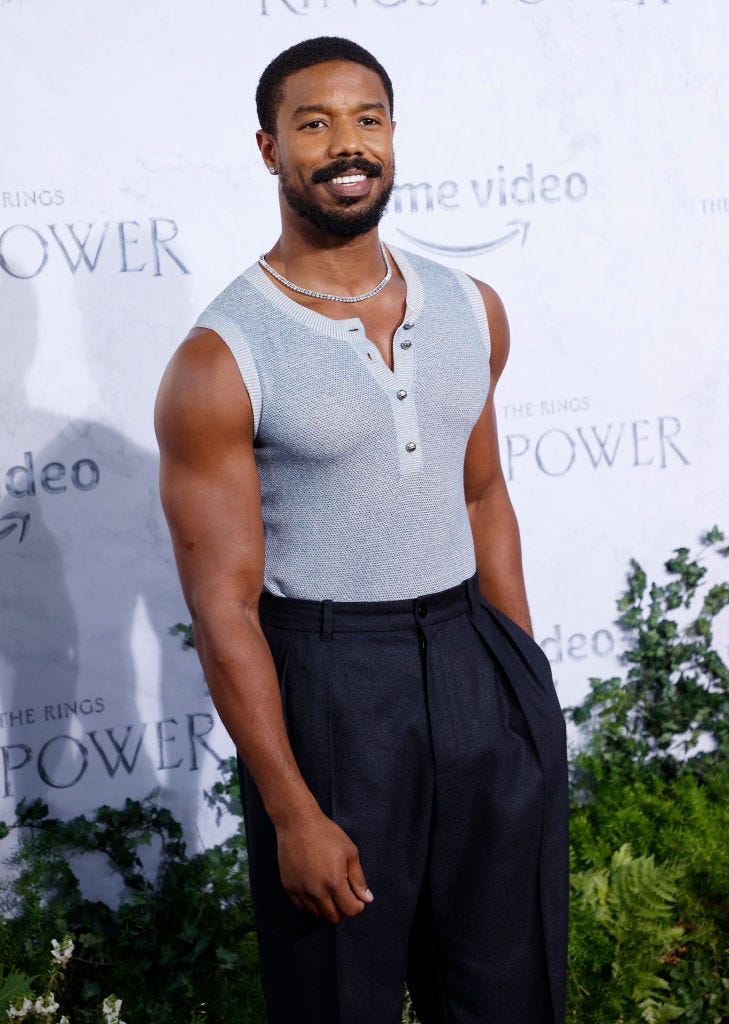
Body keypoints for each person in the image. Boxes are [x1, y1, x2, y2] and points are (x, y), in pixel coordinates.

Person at [155, 35, 568, 1024]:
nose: (348, 145)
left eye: (367, 119)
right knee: (339, 995)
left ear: (391, 135)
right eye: (315, 124)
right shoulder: (221, 359)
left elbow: (482, 498)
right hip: (335, 684)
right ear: (269, 149)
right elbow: (223, 605)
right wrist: (293, 811)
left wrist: (522, 684)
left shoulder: (474, 307)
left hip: (473, 657)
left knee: (510, 988)